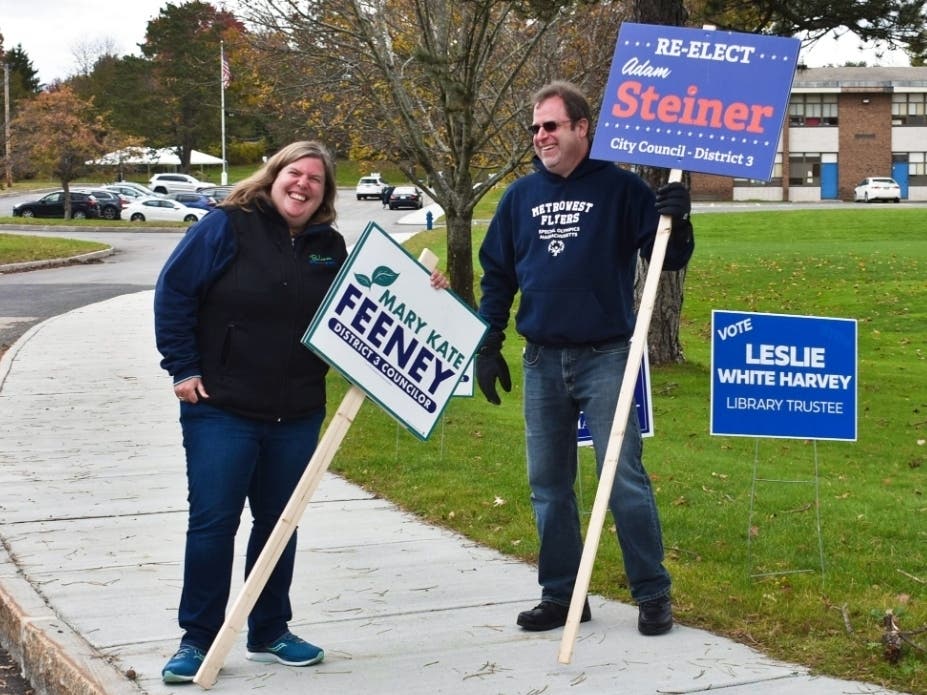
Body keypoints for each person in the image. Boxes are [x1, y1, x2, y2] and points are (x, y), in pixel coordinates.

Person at [154, 140, 447, 683]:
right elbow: (174, 291)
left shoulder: (328, 245)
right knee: (214, 523)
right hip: (222, 407)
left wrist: (424, 291)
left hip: (297, 411)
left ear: (325, 194)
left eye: (316, 179)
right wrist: (183, 366)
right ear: (273, 176)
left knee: (278, 526)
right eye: (295, 173)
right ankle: (197, 640)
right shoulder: (228, 225)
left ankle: (269, 632)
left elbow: (365, 307)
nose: (303, 184)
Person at [475, 81, 694, 636]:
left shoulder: (620, 190)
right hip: (542, 360)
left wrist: (679, 217)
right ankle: (563, 594)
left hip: (606, 357)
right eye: (535, 127)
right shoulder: (520, 198)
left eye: (551, 125)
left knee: (622, 478)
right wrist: (489, 342)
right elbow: (498, 275)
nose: (541, 135)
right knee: (548, 484)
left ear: (581, 127)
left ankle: (652, 593)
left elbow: (668, 257)